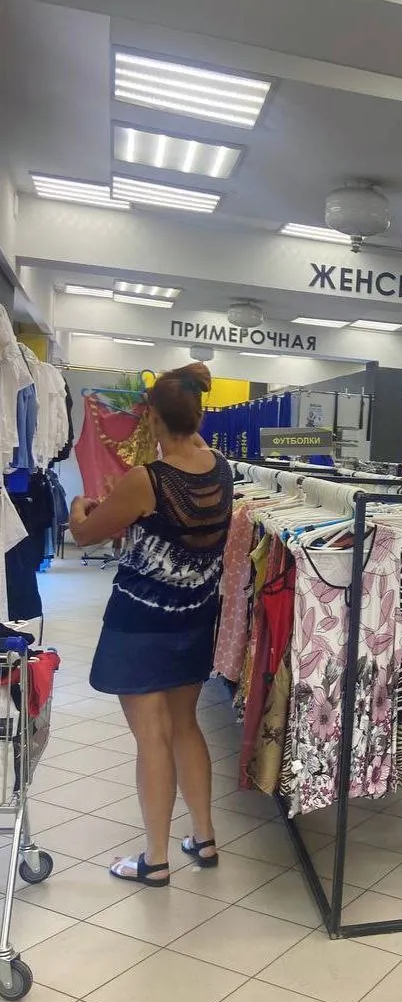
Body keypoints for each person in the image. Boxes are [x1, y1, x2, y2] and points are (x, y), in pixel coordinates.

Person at [69, 363, 234, 888]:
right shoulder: (220, 468)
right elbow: (188, 433)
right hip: (195, 617)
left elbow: (87, 535)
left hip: (140, 620)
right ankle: (204, 838)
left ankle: (155, 859)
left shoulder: (147, 480)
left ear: (153, 420)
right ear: (199, 416)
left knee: (152, 737)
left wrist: (78, 507)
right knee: (186, 725)